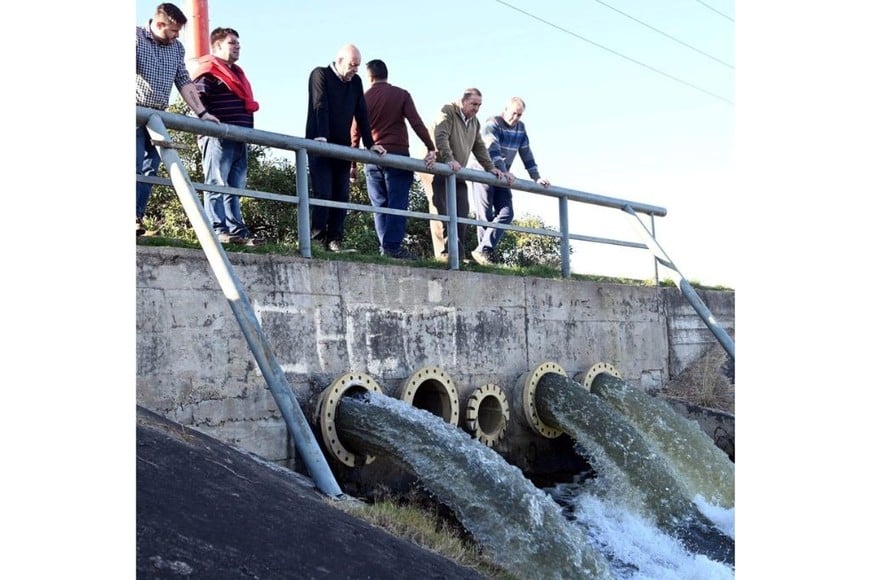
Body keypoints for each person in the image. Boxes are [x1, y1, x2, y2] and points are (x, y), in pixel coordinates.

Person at [136, 2, 218, 237]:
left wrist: (202, 113)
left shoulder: (176, 48)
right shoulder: (135, 38)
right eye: (172, 31)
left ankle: (136, 217)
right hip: (134, 112)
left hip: (157, 117)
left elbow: (183, 80)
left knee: (150, 169)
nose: (176, 36)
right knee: (133, 166)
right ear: (159, 24)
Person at [350, 59, 437, 260]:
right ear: (386, 74)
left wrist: (352, 164)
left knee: (379, 204)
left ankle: (386, 248)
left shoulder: (363, 98)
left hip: (371, 158)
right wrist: (430, 147)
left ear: (369, 77)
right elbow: (416, 123)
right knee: (397, 202)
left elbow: (354, 132)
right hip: (397, 157)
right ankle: (392, 248)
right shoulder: (401, 94)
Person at [305, 44, 386, 253]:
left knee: (341, 195)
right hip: (320, 144)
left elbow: (361, 113)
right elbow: (319, 104)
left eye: (358, 66)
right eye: (352, 65)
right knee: (323, 193)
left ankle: (334, 240)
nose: (355, 70)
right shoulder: (320, 74)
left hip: (342, 146)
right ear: (339, 61)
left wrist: (370, 143)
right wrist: (321, 135)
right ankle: (316, 239)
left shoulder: (356, 82)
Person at [419, 88, 509, 262]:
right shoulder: (448, 111)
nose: (476, 108)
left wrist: (490, 167)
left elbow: (479, 146)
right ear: (463, 101)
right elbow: (441, 136)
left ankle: (458, 255)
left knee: (462, 210)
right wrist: (449, 159)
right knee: (441, 211)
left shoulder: (474, 122)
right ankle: (444, 255)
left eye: (479, 105)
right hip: (436, 167)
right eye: (473, 104)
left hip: (458, 171)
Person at [191, 27, 263, 246]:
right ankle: (217, 228)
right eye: (232, 43)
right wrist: (207, 119)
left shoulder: (237, 74)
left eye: (238, 43)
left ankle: (236, 229)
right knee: (216, 181)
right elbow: (196, 98)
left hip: (239, 137)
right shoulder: (209, 71)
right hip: (218, 137)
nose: (237, 46)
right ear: (218, 46)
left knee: (235, 185)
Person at [469, 97, 550, 266]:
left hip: (502, 175)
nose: (515, 118)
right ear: (505, 109)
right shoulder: (493, 123)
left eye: (519, 115)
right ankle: (484, 256)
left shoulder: (521, 129)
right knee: (485, 215)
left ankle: (483, 250)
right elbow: (493, 149)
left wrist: (536, 177)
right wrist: (504, 171)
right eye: (513, 113)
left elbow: (526, 153)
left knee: (506, 212)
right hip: (484, 171)